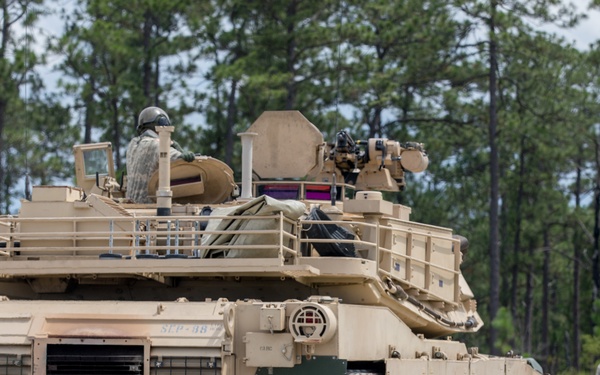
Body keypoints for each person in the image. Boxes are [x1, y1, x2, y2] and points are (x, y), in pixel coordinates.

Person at [126, 106, 195, 203]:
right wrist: (184, 154)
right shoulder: (157, 145)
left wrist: (169, 143)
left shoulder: (132, 145)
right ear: (161, 125)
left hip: (130, 207)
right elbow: (178, 158)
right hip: (150, 207)